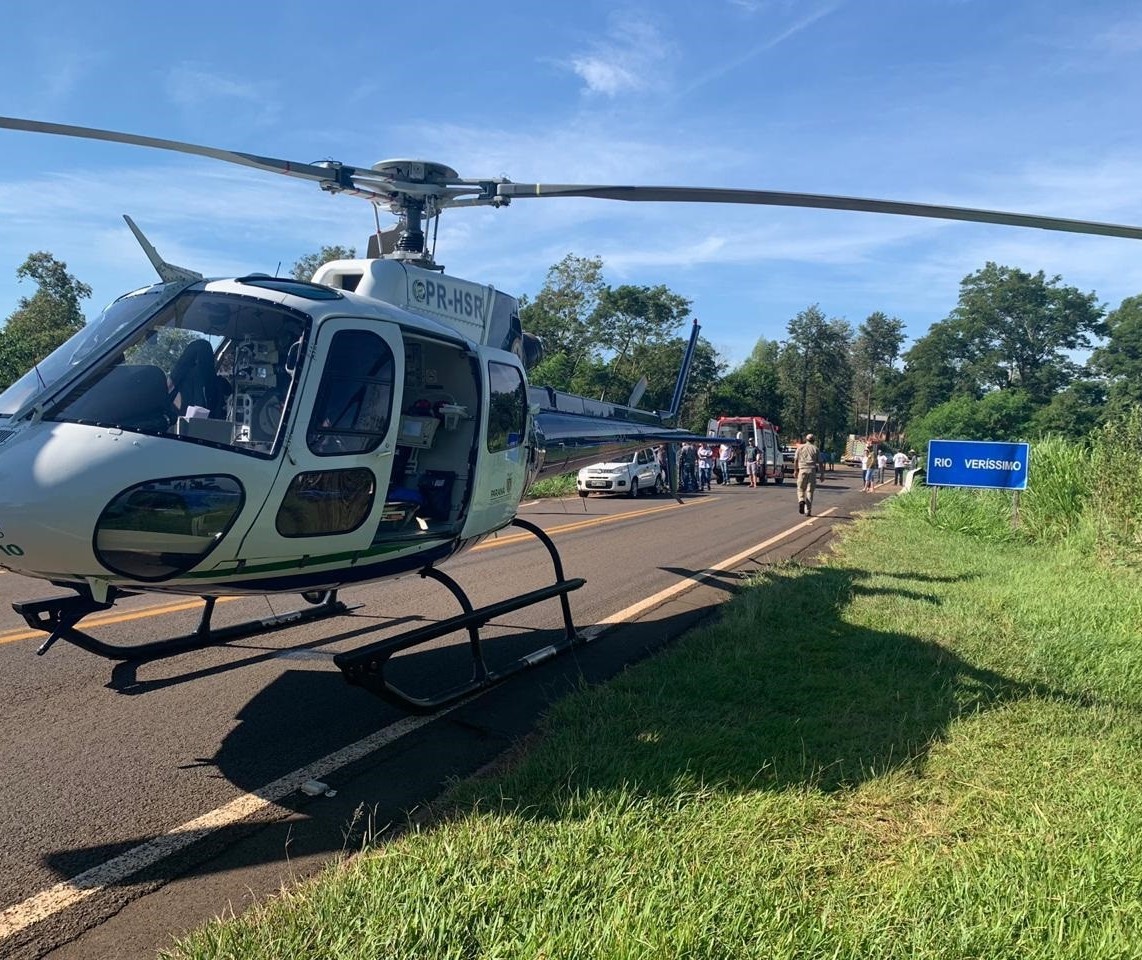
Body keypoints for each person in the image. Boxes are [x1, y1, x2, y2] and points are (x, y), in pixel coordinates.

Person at [794, 433, 820, 516]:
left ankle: (801, 500)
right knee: (809, 491)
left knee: (800, 488)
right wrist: (822, 474)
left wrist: (795, 470)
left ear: (806, 440)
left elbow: (795, 460)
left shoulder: (800, 448)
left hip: (802, 470)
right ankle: (808, 510)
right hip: (812, 470)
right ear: (813, 440)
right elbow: (821, 462)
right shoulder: (815, 449)